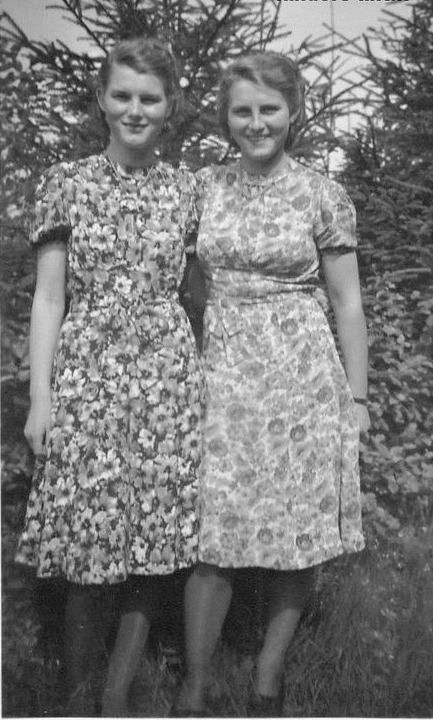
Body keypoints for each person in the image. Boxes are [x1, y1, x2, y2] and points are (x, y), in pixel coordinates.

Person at [173, 51, 371, 717]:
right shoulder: (202, 187)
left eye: (268, 109)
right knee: (215, 531)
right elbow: (190, 282)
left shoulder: (320, 193)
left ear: (291, 112)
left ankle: (266, 677)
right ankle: (196, 684)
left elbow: (346, 302)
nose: (256, 123)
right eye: (242, 111)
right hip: (226, 369)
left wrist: (357, 396)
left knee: (301, 528)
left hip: (303, 374)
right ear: (226, 118)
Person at [16, 37, 203, 717]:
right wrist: (41, 397)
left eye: (148, 98)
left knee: (154, 541)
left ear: (169, 107)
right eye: (122, 95)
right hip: (88, 374)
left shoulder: (189, 189)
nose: (134, 108)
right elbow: (49, 298)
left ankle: (118, 696)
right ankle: (71, 699)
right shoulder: (66, 181)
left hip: (168, 379)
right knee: (88, 540)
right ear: (102, 99)